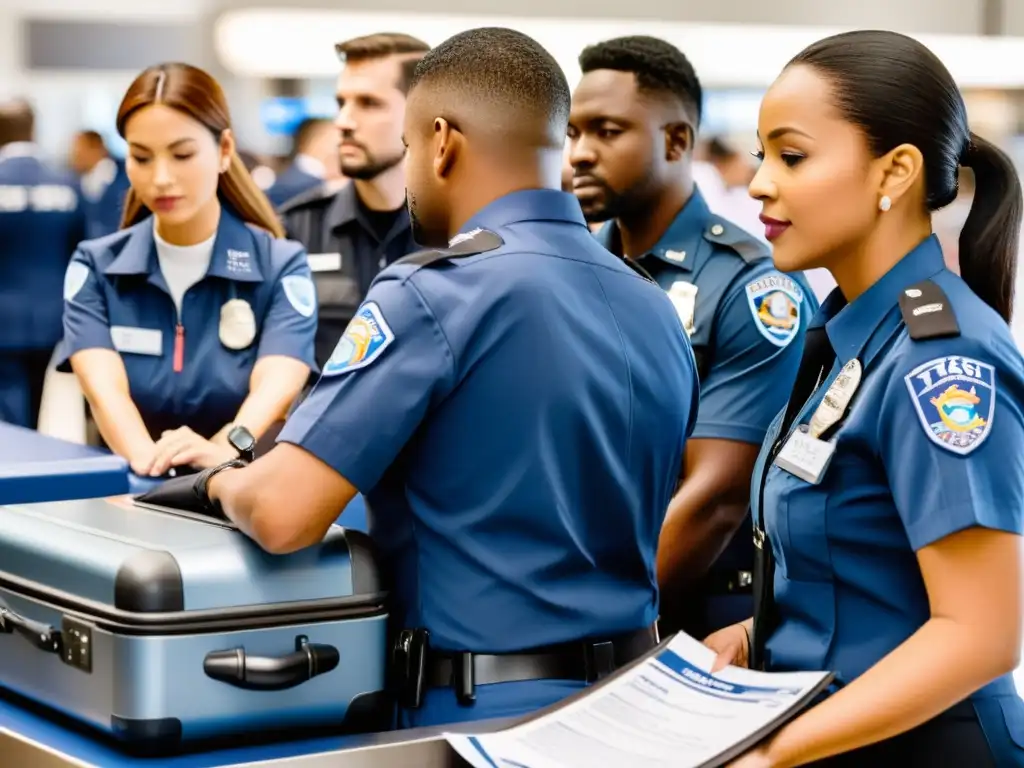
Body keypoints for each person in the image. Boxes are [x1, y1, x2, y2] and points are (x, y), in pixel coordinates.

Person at [178, 26, 699, 729]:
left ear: (444, 141)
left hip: (483, 712)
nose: (410, 173)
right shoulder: (654, 306)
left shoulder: (434, 292)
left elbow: (282, 514)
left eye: (410, 148)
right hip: (635, 704)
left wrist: (216, 480)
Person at [707, 30, 1024, 767]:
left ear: (897, 172)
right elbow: (861, 562)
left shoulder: (943, 357)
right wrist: (758, 635)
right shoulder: (845, 337)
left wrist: (771, 754)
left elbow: (979, 634)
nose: (758, 184)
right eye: (761, 157)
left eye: (791, 156)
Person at [567, 35, 817, 639]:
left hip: (690, 619)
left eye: (607, 131)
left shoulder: (753, 286)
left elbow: (715, 499)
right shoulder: (576, 270)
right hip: (584, 588)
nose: (579, 153)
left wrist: (588, 628)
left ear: (676, 141)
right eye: (573, 132)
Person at [57, 63, 317, 479]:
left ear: (224, 151)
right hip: (128, 497)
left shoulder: (279, 266)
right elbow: (104, 394)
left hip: (241, 495)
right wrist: (150, 463)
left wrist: (220, 453)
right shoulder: (96, 267)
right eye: (141, 157)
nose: (161, 178)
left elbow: (278, 385)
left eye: (182, 155)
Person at [280, 33, 427, 367]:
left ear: (421, 113)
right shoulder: (296, 228)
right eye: (341, 103)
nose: (343, 122)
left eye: (369, 103)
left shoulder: (459, 234)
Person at [0, 99, 86, 429]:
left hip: (3, 318)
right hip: (51, 316)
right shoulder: (67, 184)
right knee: (37, 397)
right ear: (33, 128)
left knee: (8, 403)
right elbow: (80, 251)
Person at [69, 129, 131, 239]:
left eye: (78, 150)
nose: (73, 156)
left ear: (95, 148)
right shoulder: (76, 184)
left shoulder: (125, 180)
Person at [265, 117, 340, 207]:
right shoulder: (301, 186)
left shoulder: (297, 177)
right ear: (317, 140)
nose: (340, 145)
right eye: (335, 139)